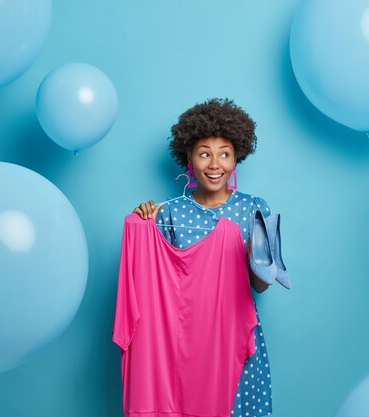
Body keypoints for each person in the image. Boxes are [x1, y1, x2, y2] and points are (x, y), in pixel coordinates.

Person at [133, 98, 273, 416]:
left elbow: (260, 286)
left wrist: (255, 256)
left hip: (238, 335)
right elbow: (158, 286)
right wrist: (145, 225)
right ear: (189, 158)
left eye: (224, 154)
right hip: (186, 340)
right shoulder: (168, 212)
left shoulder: (254, 209)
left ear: (237, 156)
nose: (214, 164)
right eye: (204, 154)